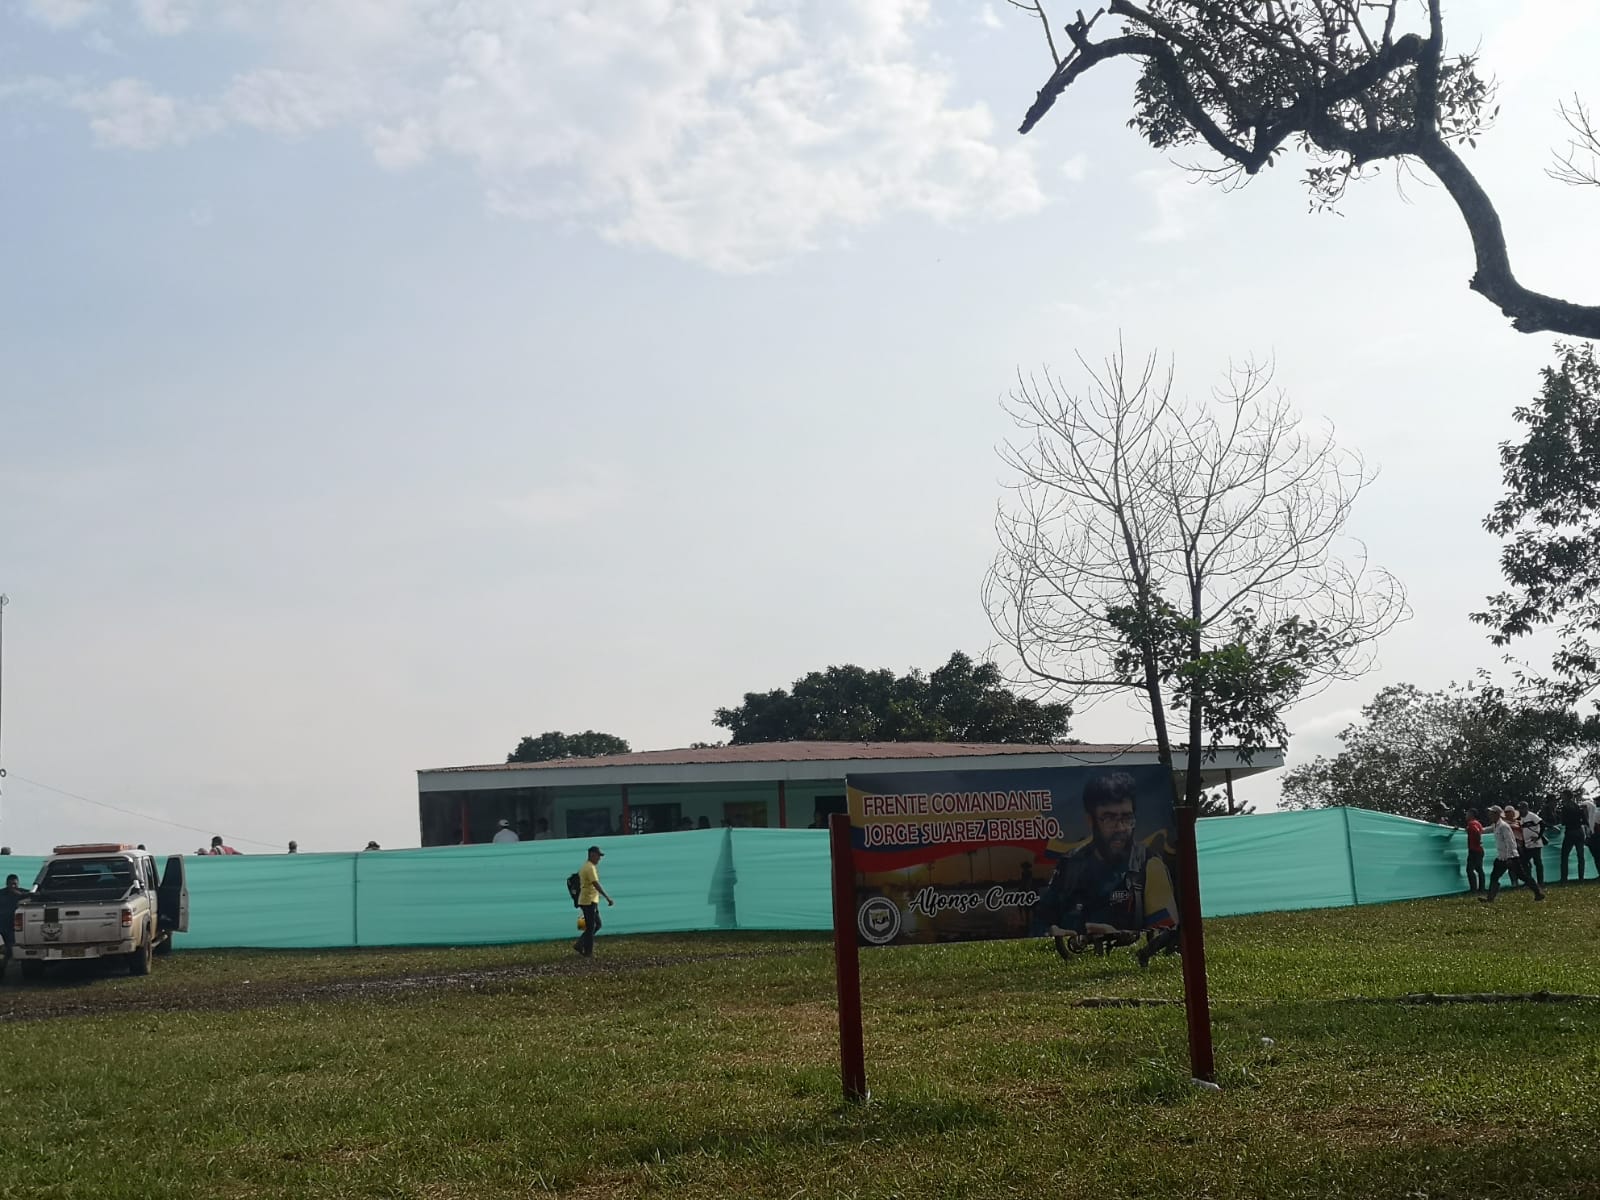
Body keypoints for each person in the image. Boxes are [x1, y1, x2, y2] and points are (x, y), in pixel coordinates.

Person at [1037, 771, 1177, 943]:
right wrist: (1052, 935)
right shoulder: (1070, 865)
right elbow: (1039, 925)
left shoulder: (1149, 866)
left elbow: (1167, 939)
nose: (1121, 828)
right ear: (1091, 820)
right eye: (1109, 819)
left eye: (1127, 818)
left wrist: (1119, 938)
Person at [1483, 806, 1545, 902]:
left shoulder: (1503, 826)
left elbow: (1510, 842)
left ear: (1497, 814)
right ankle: (1490, 898)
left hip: (1511, 857)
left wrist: (1510, 857)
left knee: (1523, 876)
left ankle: (1538, 893)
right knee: (1494, 876)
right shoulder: (1496, 825)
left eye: (1491, 813)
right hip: (1502, 857)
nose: (1489, 815)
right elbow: (1486, 830)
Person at [573, 845, 614, 958]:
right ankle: (588, 951)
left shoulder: (587, 866)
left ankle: (580, 944)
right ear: (592, 855)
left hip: (589, 900)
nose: (599, 858)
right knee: (592, 926)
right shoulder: (590, 868)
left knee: (596, 924)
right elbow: (595, 884)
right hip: (588, 901)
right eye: (598, 856)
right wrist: (607, 897)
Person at [1558, 796, 1587, 883]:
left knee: (1564, 856)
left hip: (1570, 832)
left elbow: (1563, 822)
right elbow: (1585, 821)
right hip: (1579, 832)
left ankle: (1564, 878)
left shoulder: (1565, 808)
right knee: (1580, 856)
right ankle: (1581, 877)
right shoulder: (1579, 807)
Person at [0, 874, 23, 984]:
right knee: (6, 950)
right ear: (7, 884)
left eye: (15, 884)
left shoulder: (22, 893)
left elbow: (34, 895)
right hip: (2, 926)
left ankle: (3, 972)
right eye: (11, 884)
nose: (13, 886)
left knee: (10, 950)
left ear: (18, 884)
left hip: (15, 927)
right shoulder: (1, 894)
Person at [1519, 805, 1548, 889]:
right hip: (1526, 844)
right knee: (1524, 862)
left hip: (1535, 844)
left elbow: (1543, 824)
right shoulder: (1520, 818)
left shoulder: (1532, 816)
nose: (1521, 810)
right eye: (1520, 808)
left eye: (1523, 808)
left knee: (1537, 862)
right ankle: (1529, 882)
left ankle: (1540, 882)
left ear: (1527, 808)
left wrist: (1539, 836)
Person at [1463, 810, 1487, 892]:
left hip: (1474, 850)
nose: (1466, 816)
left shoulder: (1471, 823)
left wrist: (1477, 841)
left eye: (1467, 814)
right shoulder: (1478, 823)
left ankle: (1473, 889)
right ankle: (1481, 888)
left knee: (1469, 869)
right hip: (1479, 850)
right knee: (1479, 869)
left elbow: (1476, 831)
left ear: (1471, 815)